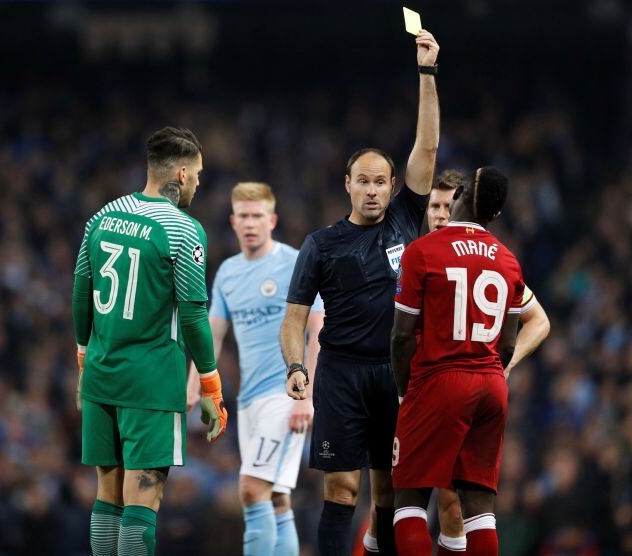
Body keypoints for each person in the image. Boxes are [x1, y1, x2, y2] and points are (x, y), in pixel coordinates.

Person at [280, 29, 441, 556]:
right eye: (363, 181)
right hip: (342, 374)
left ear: (394, 187)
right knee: (342, 488)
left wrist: (427, 72)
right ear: (346, 183)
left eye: (381, 181)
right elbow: (295, 317)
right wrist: (296, 367)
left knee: (389, 490)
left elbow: (428, 146)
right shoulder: (322, 245)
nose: (373, 190)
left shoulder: (405, 219)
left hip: (397, 373)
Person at [359, 169, 550, 554]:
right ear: (494, 215)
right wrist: (498, 369)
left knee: (410, 495)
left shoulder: (424, 252)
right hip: (491, 385)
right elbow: (509, 341)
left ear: (460, 197)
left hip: (438, 382)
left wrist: (404, 392)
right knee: (479, 507)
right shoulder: (508, 260)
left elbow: (400, 336)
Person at [72, 127, 228, 556]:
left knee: (108, 493)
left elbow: (81, 292)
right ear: (180, 173)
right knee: (144, 496)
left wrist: (83, 361)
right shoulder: (182, 230)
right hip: (152, 382)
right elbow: (194, 315)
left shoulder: (101, 217)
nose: (198, 181)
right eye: (197, 173)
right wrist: (211, 387)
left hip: (103, 373)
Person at [186, 182, 324, 556]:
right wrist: (194, 384)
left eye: (257, 216)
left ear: (272, 220)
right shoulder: (228, 272)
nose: (250, 224)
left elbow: (317, 330)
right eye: (243, 216)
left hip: (284, 397)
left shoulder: (294, 263)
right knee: (276, 498)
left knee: (250, 488)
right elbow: (213, 334)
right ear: (233, 221)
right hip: (248, 402)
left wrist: (305, 398)